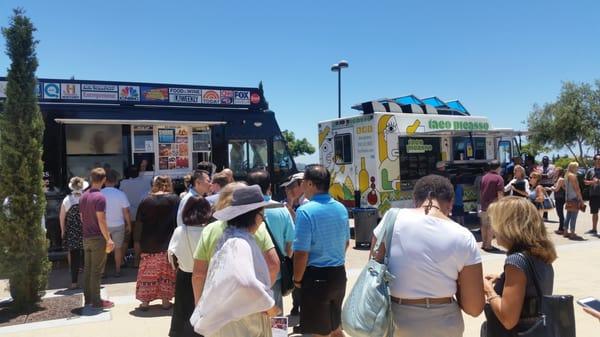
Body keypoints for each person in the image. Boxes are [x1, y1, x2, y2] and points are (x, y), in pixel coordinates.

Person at [372, 175, 484, 337]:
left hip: (396, 322)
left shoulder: (390, 220)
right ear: (450, 203)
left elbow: (372, 272)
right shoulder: (463, 236)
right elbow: (474, 308)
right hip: (444, 324)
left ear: (415, 199)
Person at [190, 185, 279, 336]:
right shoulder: (240, 242)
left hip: (227, 318)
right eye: (262, 215)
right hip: (243, 322)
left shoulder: (230, 237)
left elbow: (200, 275)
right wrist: (268, 305)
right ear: (255, 217)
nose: (262, 219)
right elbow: (247, 283)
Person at [481, 197, 556, 334]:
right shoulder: (541, 253)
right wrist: (503, 279)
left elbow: (508, 319)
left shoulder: (516, 261)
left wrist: (488, 290)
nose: (493, 229)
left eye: (495, 223)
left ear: (507, 226)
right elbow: (533, 286)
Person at [293, 164, 350, 337]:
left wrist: (297, 280)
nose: (301, 185)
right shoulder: (341, 208)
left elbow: (301, 253)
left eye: (303, 182)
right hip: (339, 275)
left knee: (316, 332)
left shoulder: (305, 211)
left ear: (310, 184)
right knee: (335, 328)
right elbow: (346, 243)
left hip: (316, 279)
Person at [247, 169, 295, 315]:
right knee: (276, 318)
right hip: (275, 272)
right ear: (269, 187)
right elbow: (290, 245)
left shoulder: (243, 210)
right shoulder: (281, 209)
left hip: (248, 274)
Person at [168, 196, 212, 337]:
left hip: (185, 276)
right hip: (207, 277)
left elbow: (171, 256)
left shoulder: (180, 231)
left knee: (183, 313)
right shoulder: (210, 231)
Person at [135, 175, 179, 311]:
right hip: (168, 242)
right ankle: (165, 302)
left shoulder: (145, 201)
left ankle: (145, 303)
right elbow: (179, 221)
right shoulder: (174, 199)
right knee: (166, 273)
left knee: (147, 272)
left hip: (148, 242)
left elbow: (139, 224)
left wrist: (136, 242)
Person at [79, 167, 115, 309]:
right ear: (104, 180)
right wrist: (108, 239)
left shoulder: (83, 195)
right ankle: (96, 301)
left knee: (88, 269)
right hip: (97, 238)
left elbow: (82, 218)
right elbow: (101, 220)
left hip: (86, 237)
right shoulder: (100, 197)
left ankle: (88, 299)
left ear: (91, 178)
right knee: (96, 271)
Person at [59, 176, 89, 290]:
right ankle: (89, 281)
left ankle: (74, 282)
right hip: (86, 229)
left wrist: (63, 230)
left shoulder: (67, 200)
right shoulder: (86, 198)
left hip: (72, 231)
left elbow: (62, 217)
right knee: (88, 256)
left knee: (74, 257)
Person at [101, 170, 132, 277]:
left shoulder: (100, 194)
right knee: (118, 248)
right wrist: (129, 224)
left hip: (104, 225)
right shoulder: (120, 194)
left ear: (104, 181)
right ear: (115, 181)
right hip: (119, 225)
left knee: (105, 249)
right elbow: (126, 211)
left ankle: (103, 272)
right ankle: (117, 270)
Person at [120, 165, 152, 267]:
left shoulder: (123, 183)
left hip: (127, 215)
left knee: (125, 240)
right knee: (137, 240)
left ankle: (120, 261)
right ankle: (136, 262)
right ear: (138, 173)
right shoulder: (146, 182)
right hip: (140, 215)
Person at [479, 160, 504, 252]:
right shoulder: (499, 178)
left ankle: (484, 243)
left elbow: (481, 191)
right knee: (491, 225)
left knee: (483, 225)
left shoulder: (484, 177)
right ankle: (488, 245)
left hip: (484, 205)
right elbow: (500, 193)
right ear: (498, 168)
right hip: (494, 205)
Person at [564, 162, 584, 239]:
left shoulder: (566, 175)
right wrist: (581, 200)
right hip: (574, 198)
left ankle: (565, 231)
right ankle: (572, 233)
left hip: (568, 198)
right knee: (573, 216)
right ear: (573, 168)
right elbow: (577, 189)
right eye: (577, 167)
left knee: (568, 214)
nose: (578, 169)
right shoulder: (572, 176)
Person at [584, 154, 600, 235]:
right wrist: (593, 182)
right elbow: (585, 182)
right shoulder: (590, 170)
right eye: (597, 159)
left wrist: (598, 181)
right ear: (594, 160)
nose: (598, 160)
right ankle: (594, 229)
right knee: (594, 212)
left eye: (599, 159)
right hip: (593, 194)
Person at [550, 167, 566, 235]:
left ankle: (562, 228)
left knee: (560, 213)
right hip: (558, 197)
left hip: (560, 198)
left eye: (556, 171)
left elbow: (556, 189)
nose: (554, 172)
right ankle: (563, 227)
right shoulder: (557, 179)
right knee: (559, 213)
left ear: (560, 172)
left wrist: (551, 188)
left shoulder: (561, 179)